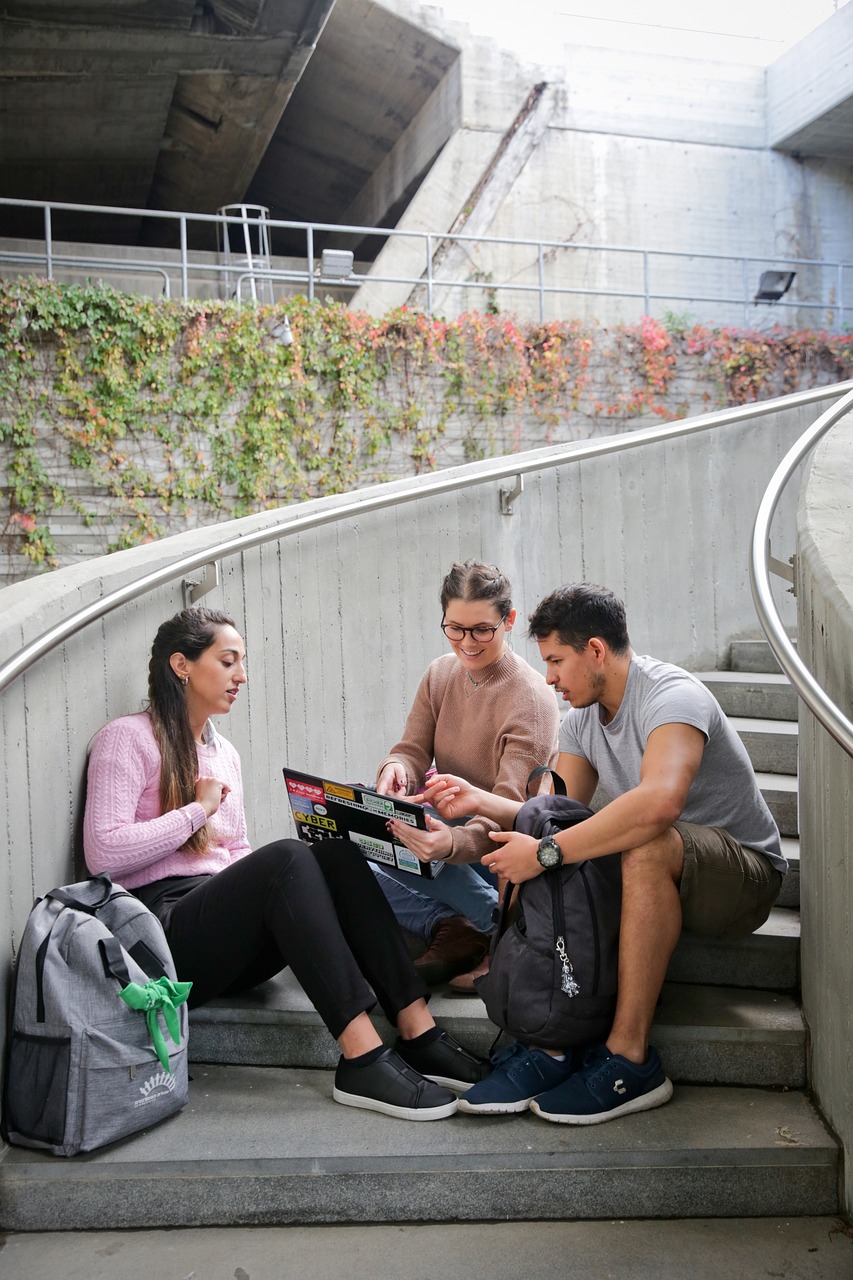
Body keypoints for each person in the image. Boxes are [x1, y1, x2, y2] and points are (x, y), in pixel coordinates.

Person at [83, 607, 488, 1123]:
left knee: (335, 851)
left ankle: (418, 1031)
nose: (241, 677)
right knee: (288, 858)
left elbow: (237, 855)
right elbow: (104, 853)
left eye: (242, 663)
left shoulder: (223, 753)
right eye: (227, 662)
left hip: (225, 938)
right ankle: (363, 1057)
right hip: (162, 937)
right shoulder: (128, 738)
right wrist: (196, 812)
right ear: (181, 665)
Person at [420, 583, 786, 1123]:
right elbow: (549, 812)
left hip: (741, 877)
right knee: (546, 830)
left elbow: (660, 804)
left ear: (595, 650)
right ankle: (551, 1040)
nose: (549, 679)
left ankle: (630, 1061)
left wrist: (547, 853)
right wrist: (483, 805)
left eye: (557, 662)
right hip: (661, 875)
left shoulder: (672, 697)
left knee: (635, 845)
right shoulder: (583, 720)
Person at [372, 561, 560, 987]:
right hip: (447, 831)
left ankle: (499, 920)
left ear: (508, 620)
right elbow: (411, 750)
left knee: (392, 840)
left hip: (499, 851)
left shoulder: (531, 699)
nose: (467, 642)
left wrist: (449, 842)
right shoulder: (440, 674)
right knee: (343, 847)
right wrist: (396, 771)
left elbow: (509, 809)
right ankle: (454, 923)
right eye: (455, 628)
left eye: (481, 630)